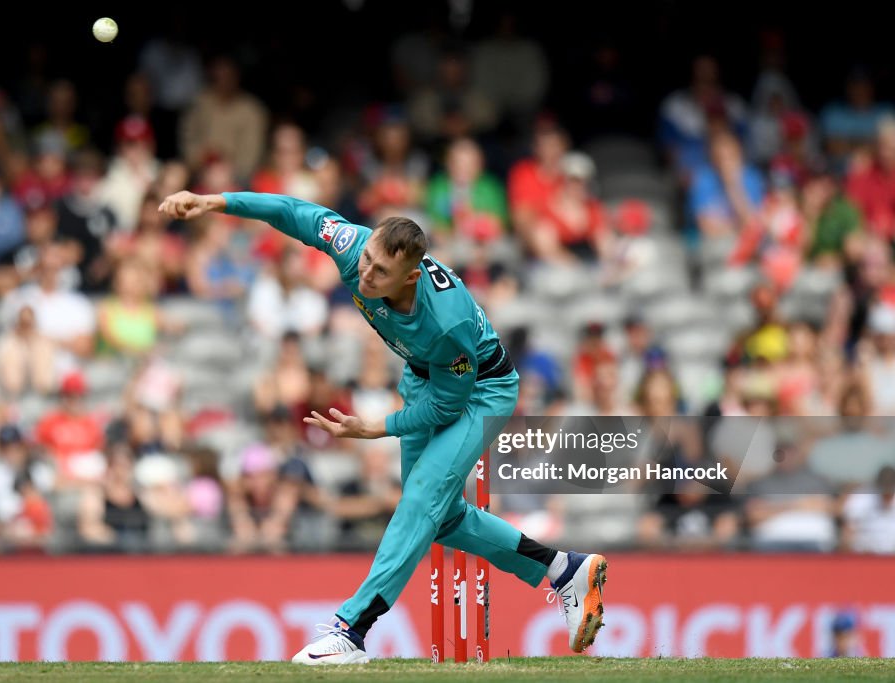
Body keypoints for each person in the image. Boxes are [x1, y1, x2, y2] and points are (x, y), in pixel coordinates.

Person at [159, 189, 608, 664]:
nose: (364, 275)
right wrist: (214, 202)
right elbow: (294, 212)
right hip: (420, 375)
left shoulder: (446, 323)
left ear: (411, 276)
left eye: (380, 272)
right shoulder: (353, 246)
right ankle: (563, 569)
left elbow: (446, 408)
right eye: (367, 259)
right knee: (442, 517)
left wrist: (380, 427)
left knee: (420, 501)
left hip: (479, 391)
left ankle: (351, 630)